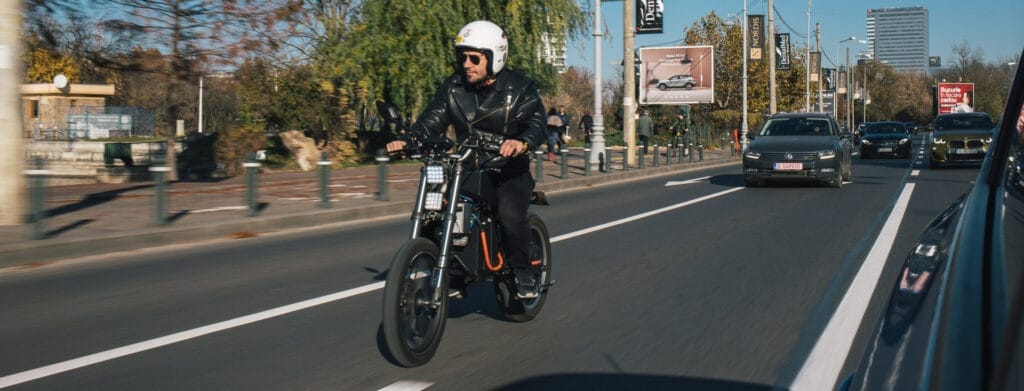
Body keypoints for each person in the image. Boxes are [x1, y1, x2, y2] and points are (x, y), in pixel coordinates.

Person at [386, 20, 547, 298]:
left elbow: (537, 122)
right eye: (463, 57)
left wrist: (521, 142)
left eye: (474, 58)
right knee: (435, 209)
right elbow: (430, 121)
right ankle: (450, 269)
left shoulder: (519, 87)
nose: (467, 64)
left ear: (494, 57)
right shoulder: (453, 87)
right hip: (466, 167)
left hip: (507, 170)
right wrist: (409, 141)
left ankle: (523, 272)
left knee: (509, 215)